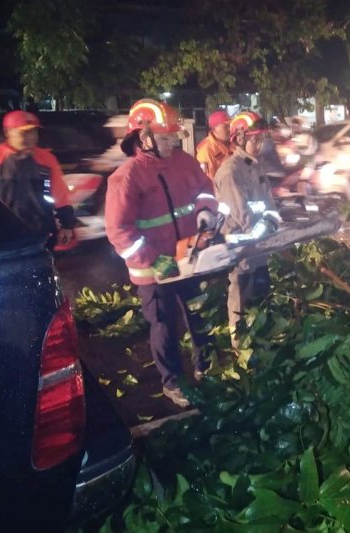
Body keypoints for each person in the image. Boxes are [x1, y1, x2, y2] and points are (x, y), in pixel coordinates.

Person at [105, 99, 221, 408]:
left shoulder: (183, 162)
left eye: (173, 136)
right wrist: (157, 260)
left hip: (188, 257)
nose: (174, 142)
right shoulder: (127, 177)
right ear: (144, 138)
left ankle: (206, 366)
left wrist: (206, 213)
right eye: (166, 137)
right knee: (165, 325)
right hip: (154, 269)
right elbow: (119, 232)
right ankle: (173, 383)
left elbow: (205, 190)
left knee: (200, 313)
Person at [213, 111, 279, 353]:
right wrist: (267, 232)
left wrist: (273, 226)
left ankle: (262, 336)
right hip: (241, 246)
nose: (260, 145)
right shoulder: (231, 171)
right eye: (255, 139)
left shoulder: (255, 166)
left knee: (262, 292)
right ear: (239, 139)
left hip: (259, 246)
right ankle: (239, 344)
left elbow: (269, 204)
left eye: (262, 140)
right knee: (241, 293)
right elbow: (244, 216)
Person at [0, 110, 77, 249]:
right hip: (3, 233)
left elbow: (61, 195)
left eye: (34, 132)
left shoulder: (46, 159)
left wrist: (67, 225)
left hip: (41, 232)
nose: (31, 137)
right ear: (7, 132)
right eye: (24, 132)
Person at [196, 109, 232, 182]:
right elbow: (209, 182)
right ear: (214, 129)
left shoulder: (234, 143)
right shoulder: (206, 150)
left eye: (230, 125)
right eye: (226, 126)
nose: (230, 129)